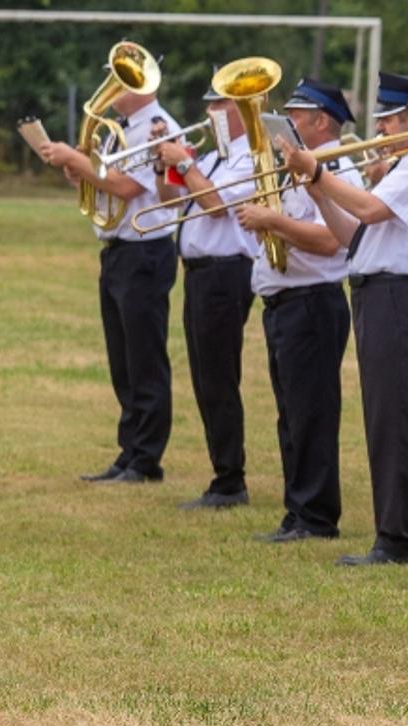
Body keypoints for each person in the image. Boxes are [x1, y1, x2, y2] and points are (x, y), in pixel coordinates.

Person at [280, 72, 408, 566]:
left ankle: (401, 541)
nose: (380, 130)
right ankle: (396, 533)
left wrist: (318, 173)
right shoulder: (406, 163)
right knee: (383, 419)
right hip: (377, 293)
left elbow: (372, 209)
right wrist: (318, 194)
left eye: (389, 121)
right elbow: (353, 236)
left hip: (399, 296)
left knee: (395, 421)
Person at [36, 56, 179, 485]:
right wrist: (78, 170)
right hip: (118, 252)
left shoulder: (159, 129)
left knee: (144, 358)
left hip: (144, 252)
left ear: (145, 87)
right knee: (123, 360)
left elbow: (127, 187)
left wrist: (79, 161)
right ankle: (129, 452)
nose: (112, 90)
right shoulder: (120, 131)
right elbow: (104, 181)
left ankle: (146, 460)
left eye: (122, 82)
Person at [235, 77, 359, 543]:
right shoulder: (297, 166)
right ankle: (299, 510)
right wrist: (268, 222)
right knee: (292, 414)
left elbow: (330, 241)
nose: (285, 123)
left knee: (312, 414)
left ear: (321, 121)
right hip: (287, 302)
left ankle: (317, 517)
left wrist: (271, 220)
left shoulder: (336, 167)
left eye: (296, 115)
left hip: (312, 302)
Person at [153, 75, 258, 510]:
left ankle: (230, 480)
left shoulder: (250, 158)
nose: (210, 112)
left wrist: (185, 163)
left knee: (218, 376)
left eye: (220, 105)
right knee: (204, 376)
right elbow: (169, 200)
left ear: (241, 110)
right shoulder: (215, 158)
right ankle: (224, 473)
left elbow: (216, 206)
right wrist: (162, 163)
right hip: (200, 273)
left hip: (226, 273)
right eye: (210, 104)